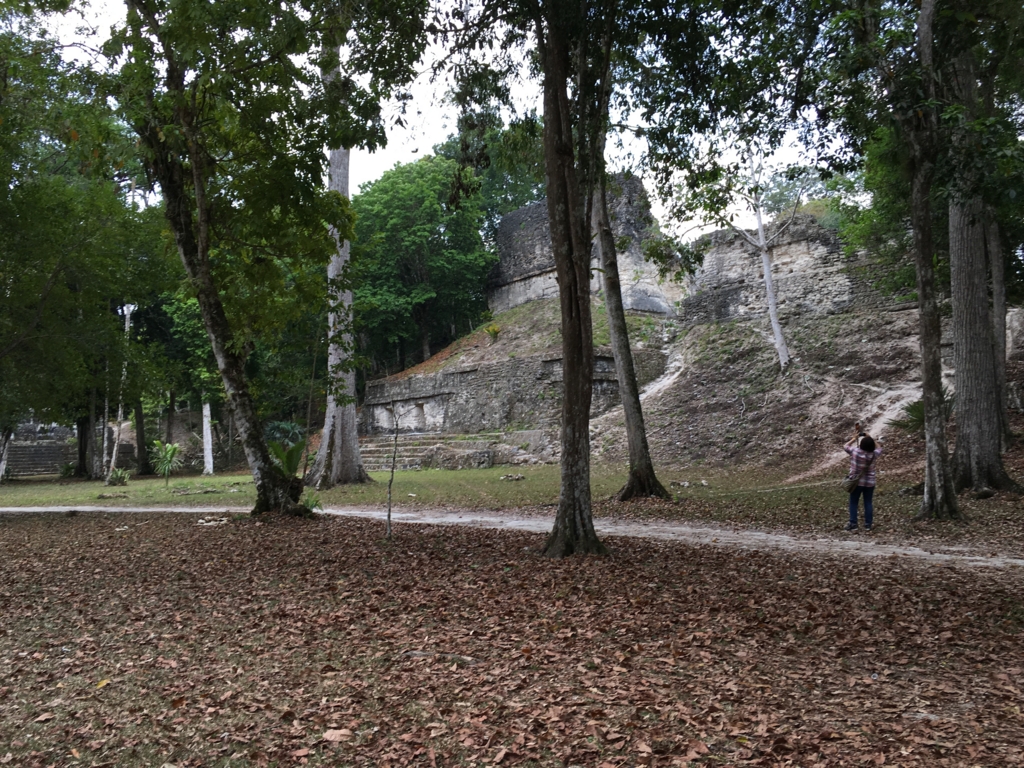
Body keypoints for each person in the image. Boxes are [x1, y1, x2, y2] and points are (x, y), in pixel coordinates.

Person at [843, 421, 882, 532]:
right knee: (868, 502)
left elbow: (845, 446)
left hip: (856, 481)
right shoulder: (874, 454)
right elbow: (879, 448)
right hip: (870, 482)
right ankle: (868, 524)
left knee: (853, 502)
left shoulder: (855, 452)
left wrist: (854, 438)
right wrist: (871, 438)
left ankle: (853, 523)